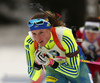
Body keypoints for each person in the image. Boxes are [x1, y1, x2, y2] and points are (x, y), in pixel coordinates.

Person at [24, 11, 93, 83]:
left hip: (74, 65)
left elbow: (74, 72)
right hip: (52, 68)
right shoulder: (30, 41)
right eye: (34, 33)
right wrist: (37, 64)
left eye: (41, 32)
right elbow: (34, 77)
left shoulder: (64, 36)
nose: (38, 38)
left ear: (50, 29)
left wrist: (51, 63)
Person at [76, 17, 100, 81]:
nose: (90, 36)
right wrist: (82, 55)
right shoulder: (80, 34)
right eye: (88, 33)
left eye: (94, 33)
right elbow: (75, 49)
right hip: (86, 58)